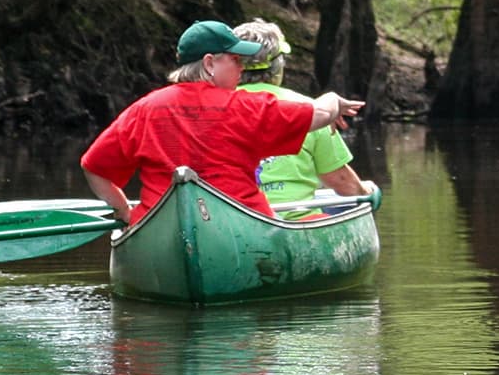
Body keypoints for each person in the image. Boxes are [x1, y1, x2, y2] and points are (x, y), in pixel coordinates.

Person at [80, 19, 365, 224]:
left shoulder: (143, 109)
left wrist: (123, 212)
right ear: (209, 63)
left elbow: (93, 167)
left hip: (162, 226)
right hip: (246, 225)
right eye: (235, 59)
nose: (242, 67)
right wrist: (333, 100)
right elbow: (319, 114)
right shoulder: (245, 107)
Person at [229, 18, 374, 207]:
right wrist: (367, 192)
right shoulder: (311, 109)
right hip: (295, 218)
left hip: (232, 218)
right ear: (278, 66)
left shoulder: (211, 108)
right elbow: (343, 183)